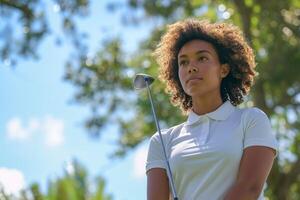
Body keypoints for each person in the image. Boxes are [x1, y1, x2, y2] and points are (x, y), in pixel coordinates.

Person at [145, 18, 279, 200]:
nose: (191, 67)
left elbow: (249, 188)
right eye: (183, 62)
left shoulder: (251, 120)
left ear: (223, 70)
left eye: (202, 58)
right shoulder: (162, 140)